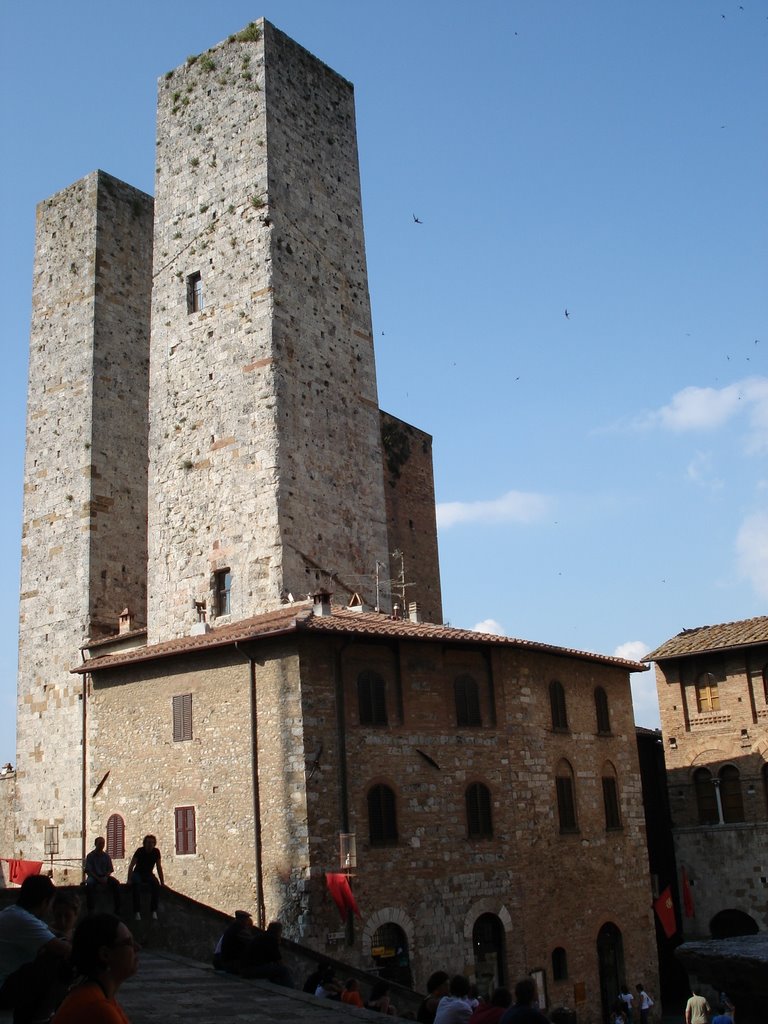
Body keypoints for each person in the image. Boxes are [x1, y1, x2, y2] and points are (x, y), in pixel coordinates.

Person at [51, 913, 139, 1024]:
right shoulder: (98, 1007)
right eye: (129, 943)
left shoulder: (99, 995)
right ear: (105, 954)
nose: (137, 948)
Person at [0, 875, 71, 1011]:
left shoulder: (14, 913)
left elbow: (54, 933)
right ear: (45, 902)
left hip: (8, 982)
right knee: (55, 959)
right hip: (4, 988)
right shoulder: (23, 920)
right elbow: (64, 949)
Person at [244, 920, 293, 987]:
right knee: (284, 970)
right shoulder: (271, 940)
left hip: (247, 968)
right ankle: (290, 990)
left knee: (275, 970)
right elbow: (279, 960)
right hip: (252, 970)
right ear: (277, 931)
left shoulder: (262, 936)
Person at [126, 835, 164, 920]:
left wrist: (162, 882)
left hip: (148, 874)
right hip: (137, 873)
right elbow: (131, 865)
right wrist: (129, 879)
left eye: (152, 842)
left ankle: (153, 910)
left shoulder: (156, 852)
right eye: (148, 842)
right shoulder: (139, 851)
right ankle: (137, 911)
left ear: (154, 844)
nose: (150, 844)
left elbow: (159, 867)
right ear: (144, 843)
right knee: (136, 885)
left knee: (156, 885)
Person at [84, 838, 121, 914]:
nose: (101, 845)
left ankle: (118, 908)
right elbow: (89, 871)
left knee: (116, 883)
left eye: (103, 843)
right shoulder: (90, 856)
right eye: (100, 843)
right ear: (95, 844)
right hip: (94, 877)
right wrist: (98, 878)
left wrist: (106, 877)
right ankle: (91, 909)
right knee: (89, 885)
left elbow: (110, 869)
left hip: (104, 876)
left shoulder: (106, 856)